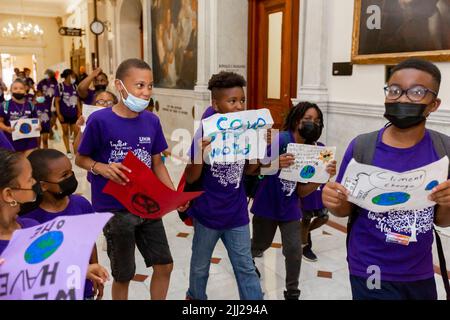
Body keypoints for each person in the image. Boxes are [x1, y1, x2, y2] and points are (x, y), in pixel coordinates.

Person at [322, 58, 450, 300]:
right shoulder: (362, 147)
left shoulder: (444, 150)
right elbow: (346, 209)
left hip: (419, 270)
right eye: (394, 90)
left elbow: (442, 221)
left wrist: (447, 201)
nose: (402, 98)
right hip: (370, 267)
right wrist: (335, 203)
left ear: (433, 104)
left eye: (416, 92)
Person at [76, 58, 185, 300]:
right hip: (115, 209)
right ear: (119, 85)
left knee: (164, 265)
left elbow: (157, 163)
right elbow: (80, 159)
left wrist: (173, 195)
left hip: (147, 204)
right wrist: (101, 168)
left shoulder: (152, 121)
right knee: (124, 274)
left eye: (149, 86)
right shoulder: (100, 120)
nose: (145, 92)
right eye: (139, 86)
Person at [184, 71, 264, 300]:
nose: (239, 106)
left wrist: (257, 147)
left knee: (246, 267)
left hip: (236, 214)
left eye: (242, 100)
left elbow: (249, 171)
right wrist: (199, 153)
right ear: (216, 104)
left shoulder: (246, 130)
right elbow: (190, 177)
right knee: (200, 267)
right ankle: (195, 298)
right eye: (232, 101)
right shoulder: (205, 131)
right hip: (207, 214)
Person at [249, 102, 336, 300]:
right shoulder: (281, 139)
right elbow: (253, 170)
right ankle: (248, 263)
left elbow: (302, 192)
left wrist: (322, 176)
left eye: (317, 121)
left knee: (294, 250)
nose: (312, 123)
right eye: (308, 119)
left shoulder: (312, 150)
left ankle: (292, 292)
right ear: (297, 120)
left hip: (290, 207)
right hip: (267, 204)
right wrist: (275, 162)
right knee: (260, 244)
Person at [24, 149, 109, 300]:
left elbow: (89, 243)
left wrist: (95, 272)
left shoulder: (81, 204)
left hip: (82, 288)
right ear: (43, 185)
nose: (70, 177)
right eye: (64, 175)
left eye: (71, 172)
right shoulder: (28, 219)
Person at [0, 79, 40, 155]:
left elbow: (36, 120)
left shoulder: (31, 105)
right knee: (16, 166)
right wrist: (6, 128)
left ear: (25, 90)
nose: (18, 91)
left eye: (21, 88)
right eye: (15, 88)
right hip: (11, 142)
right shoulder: (4, 105)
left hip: (29, 142)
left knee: (29, 163)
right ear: (11, 90)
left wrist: (38, 126)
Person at [55, 69, 81, 159]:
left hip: (74, 113)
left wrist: (79, 111)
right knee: (65, 132)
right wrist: (59, 114)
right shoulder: (59, 87)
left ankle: (75, 147)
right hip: (64, 113)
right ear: (68, 76)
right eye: (72, 76)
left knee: (77, 132)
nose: (74, 78)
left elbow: (77, 100)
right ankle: (68, 150)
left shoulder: (75, 87)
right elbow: (57, 102)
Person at [37, 70, 59, 140]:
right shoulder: (42, 82)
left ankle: (50, 130)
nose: (46, 75)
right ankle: (50, 131)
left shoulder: (55, 82)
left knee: (53, 119)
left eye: (47, 74)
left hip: (52, 103)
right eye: (45, 73)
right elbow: (39, 91)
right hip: (44, 102)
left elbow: (57, 92)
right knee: (47, 118)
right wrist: (40, 98)